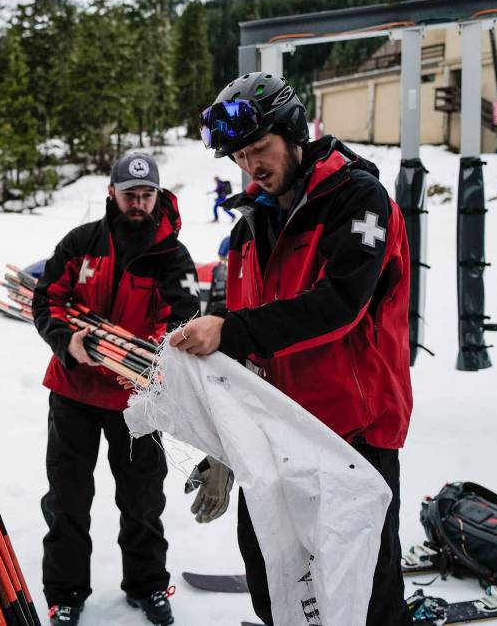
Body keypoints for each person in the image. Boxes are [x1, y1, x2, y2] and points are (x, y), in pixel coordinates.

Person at [171, 72, 414, 626]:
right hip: (277, 432)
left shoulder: (358, 199)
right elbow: (248, 345)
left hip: (353, 433)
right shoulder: (252, 223)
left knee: (365, 597)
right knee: (274, 579)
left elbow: (339, 304)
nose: (250, 165)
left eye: (260, 148)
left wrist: (228, 329)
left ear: (293, 133)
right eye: (238, 156)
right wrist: (226, 443)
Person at [32, 151, 201, 626]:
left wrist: (149, 353)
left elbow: (183, 316)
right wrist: (69, 342)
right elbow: (48, 300)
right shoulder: (82, 243)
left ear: (159, 196)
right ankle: (64, 592)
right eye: (130, 195)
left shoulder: (171, 255)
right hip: (73, 390)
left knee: (143, 497)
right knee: (67, 497)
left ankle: (148, 585)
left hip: (137, 400)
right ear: (111, 193)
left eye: (147, 195)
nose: (139, 204)